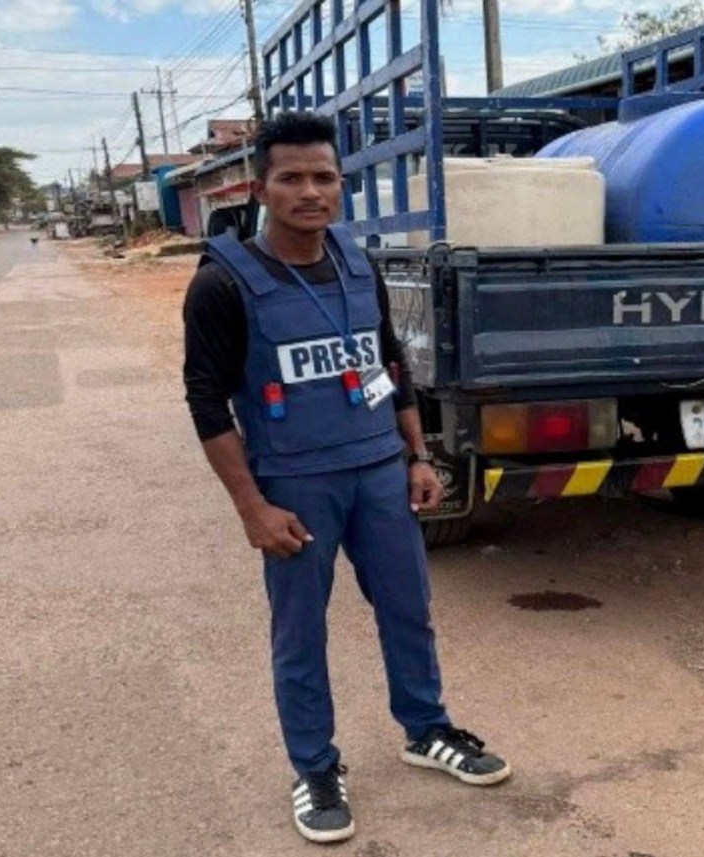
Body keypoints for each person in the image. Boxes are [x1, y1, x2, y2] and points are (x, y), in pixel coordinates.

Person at [182, 110, 511, 845]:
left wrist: (418, 456)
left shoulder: (357, 263)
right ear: (261, 188)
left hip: (377, 473)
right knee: (300, 633)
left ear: (342, 185)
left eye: (324, 177)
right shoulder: (222, 285)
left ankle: (424, 728)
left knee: (408, 608)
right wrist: (250, 508)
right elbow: (205, 402)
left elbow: (390, 365)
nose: (311, 191)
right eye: (291, 177)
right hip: (294, 486)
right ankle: (315, 767)